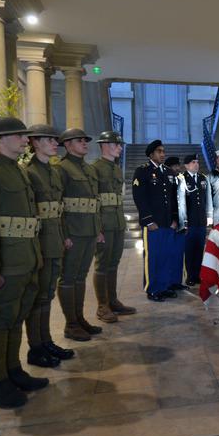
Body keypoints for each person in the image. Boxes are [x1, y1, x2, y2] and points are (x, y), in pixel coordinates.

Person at [0, 117, 48, 408]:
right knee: (2, 319)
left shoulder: (18, 171)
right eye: (19, 135)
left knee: (17, 316)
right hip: (8, 260)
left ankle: (13, 369)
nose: (25, 140)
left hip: (27, 256)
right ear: (0, 139)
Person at [23, 124, 74, 366]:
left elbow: (58, 210)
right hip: (40, 242)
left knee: (47, 294)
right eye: (50, 140)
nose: (56, 143)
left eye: (56, 140)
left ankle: (46, 341)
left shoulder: (53, 172)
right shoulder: (30, 172)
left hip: (54, 239)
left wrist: (63, 235)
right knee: (38, 297)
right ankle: (36, 347)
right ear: (34, 142)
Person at [57, 128, 104, 341]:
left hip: (88, 231)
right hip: (73, 233)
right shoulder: (62, 169)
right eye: (79, 140)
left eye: (86, 140)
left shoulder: (88, 169)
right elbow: (58, 206)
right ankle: (71, 324)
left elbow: (94, 203)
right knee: (68, 277)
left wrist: (97, 229)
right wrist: (64, 234)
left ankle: (79, 318)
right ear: (67, 145)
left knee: (80, 277)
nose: (85, 143)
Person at [92, 131, 137, 324]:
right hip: (104, 224)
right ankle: (102, 306)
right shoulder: (95, 168)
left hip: (117, 222)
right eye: (117, 144)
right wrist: (97, 228)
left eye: (120, 144)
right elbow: (93, 201)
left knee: (113, 263)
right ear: (105, 145)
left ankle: (112, 300)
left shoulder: (116, 169)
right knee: (102, 264)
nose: (120, 148)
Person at [132, 140, 179, 302]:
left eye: (163, 151)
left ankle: (164, 286)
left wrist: (174, 219)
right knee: (153, 257)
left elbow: (174, 198)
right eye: (159, 151)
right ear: (151, 154)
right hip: (153, 224)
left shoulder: (168, 171)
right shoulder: (142, 171)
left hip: (168, 222)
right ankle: (152, 289)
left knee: (166, 255)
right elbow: (139, 198)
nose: (163, 154)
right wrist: (148, 220)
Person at [178, 153, 212, 285]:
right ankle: (190, 276)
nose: (196, 164)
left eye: (197, 162)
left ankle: (198, 275)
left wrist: (209, 216)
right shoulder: (182, 179)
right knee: (189, 250)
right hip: (189, 222)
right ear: (186, 165)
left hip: (201, 221)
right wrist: (183, 222)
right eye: (193, 162)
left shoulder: (203, 178)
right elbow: (180, 203)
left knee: (199, 249)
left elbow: (207, 199)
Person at [164, 156, 189, 291]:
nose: (177, 168)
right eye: (174, 166)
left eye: (178, 166)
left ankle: (177, 281)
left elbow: (183, 203)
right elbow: (168, 204)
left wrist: (185, 222)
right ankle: (168, 283)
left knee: (179, 254)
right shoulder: (165, 181)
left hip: (180, 222)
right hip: (170, 223)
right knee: (169, 254)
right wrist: (171, 220)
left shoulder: (180, 180)